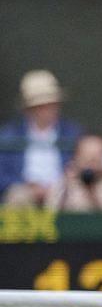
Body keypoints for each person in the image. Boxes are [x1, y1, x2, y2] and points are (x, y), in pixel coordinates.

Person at [0, 70, 83, 208]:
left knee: (78, 198)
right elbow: (2, 175)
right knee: (18, 197)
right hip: (23, 190)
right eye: (42, 106)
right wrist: (27, 184)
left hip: (61, 188)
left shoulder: (72, 132)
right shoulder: (9, 135)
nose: (50, 110)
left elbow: (79, 166)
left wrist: (64, 181)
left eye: (53, 104)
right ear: (30, 108)